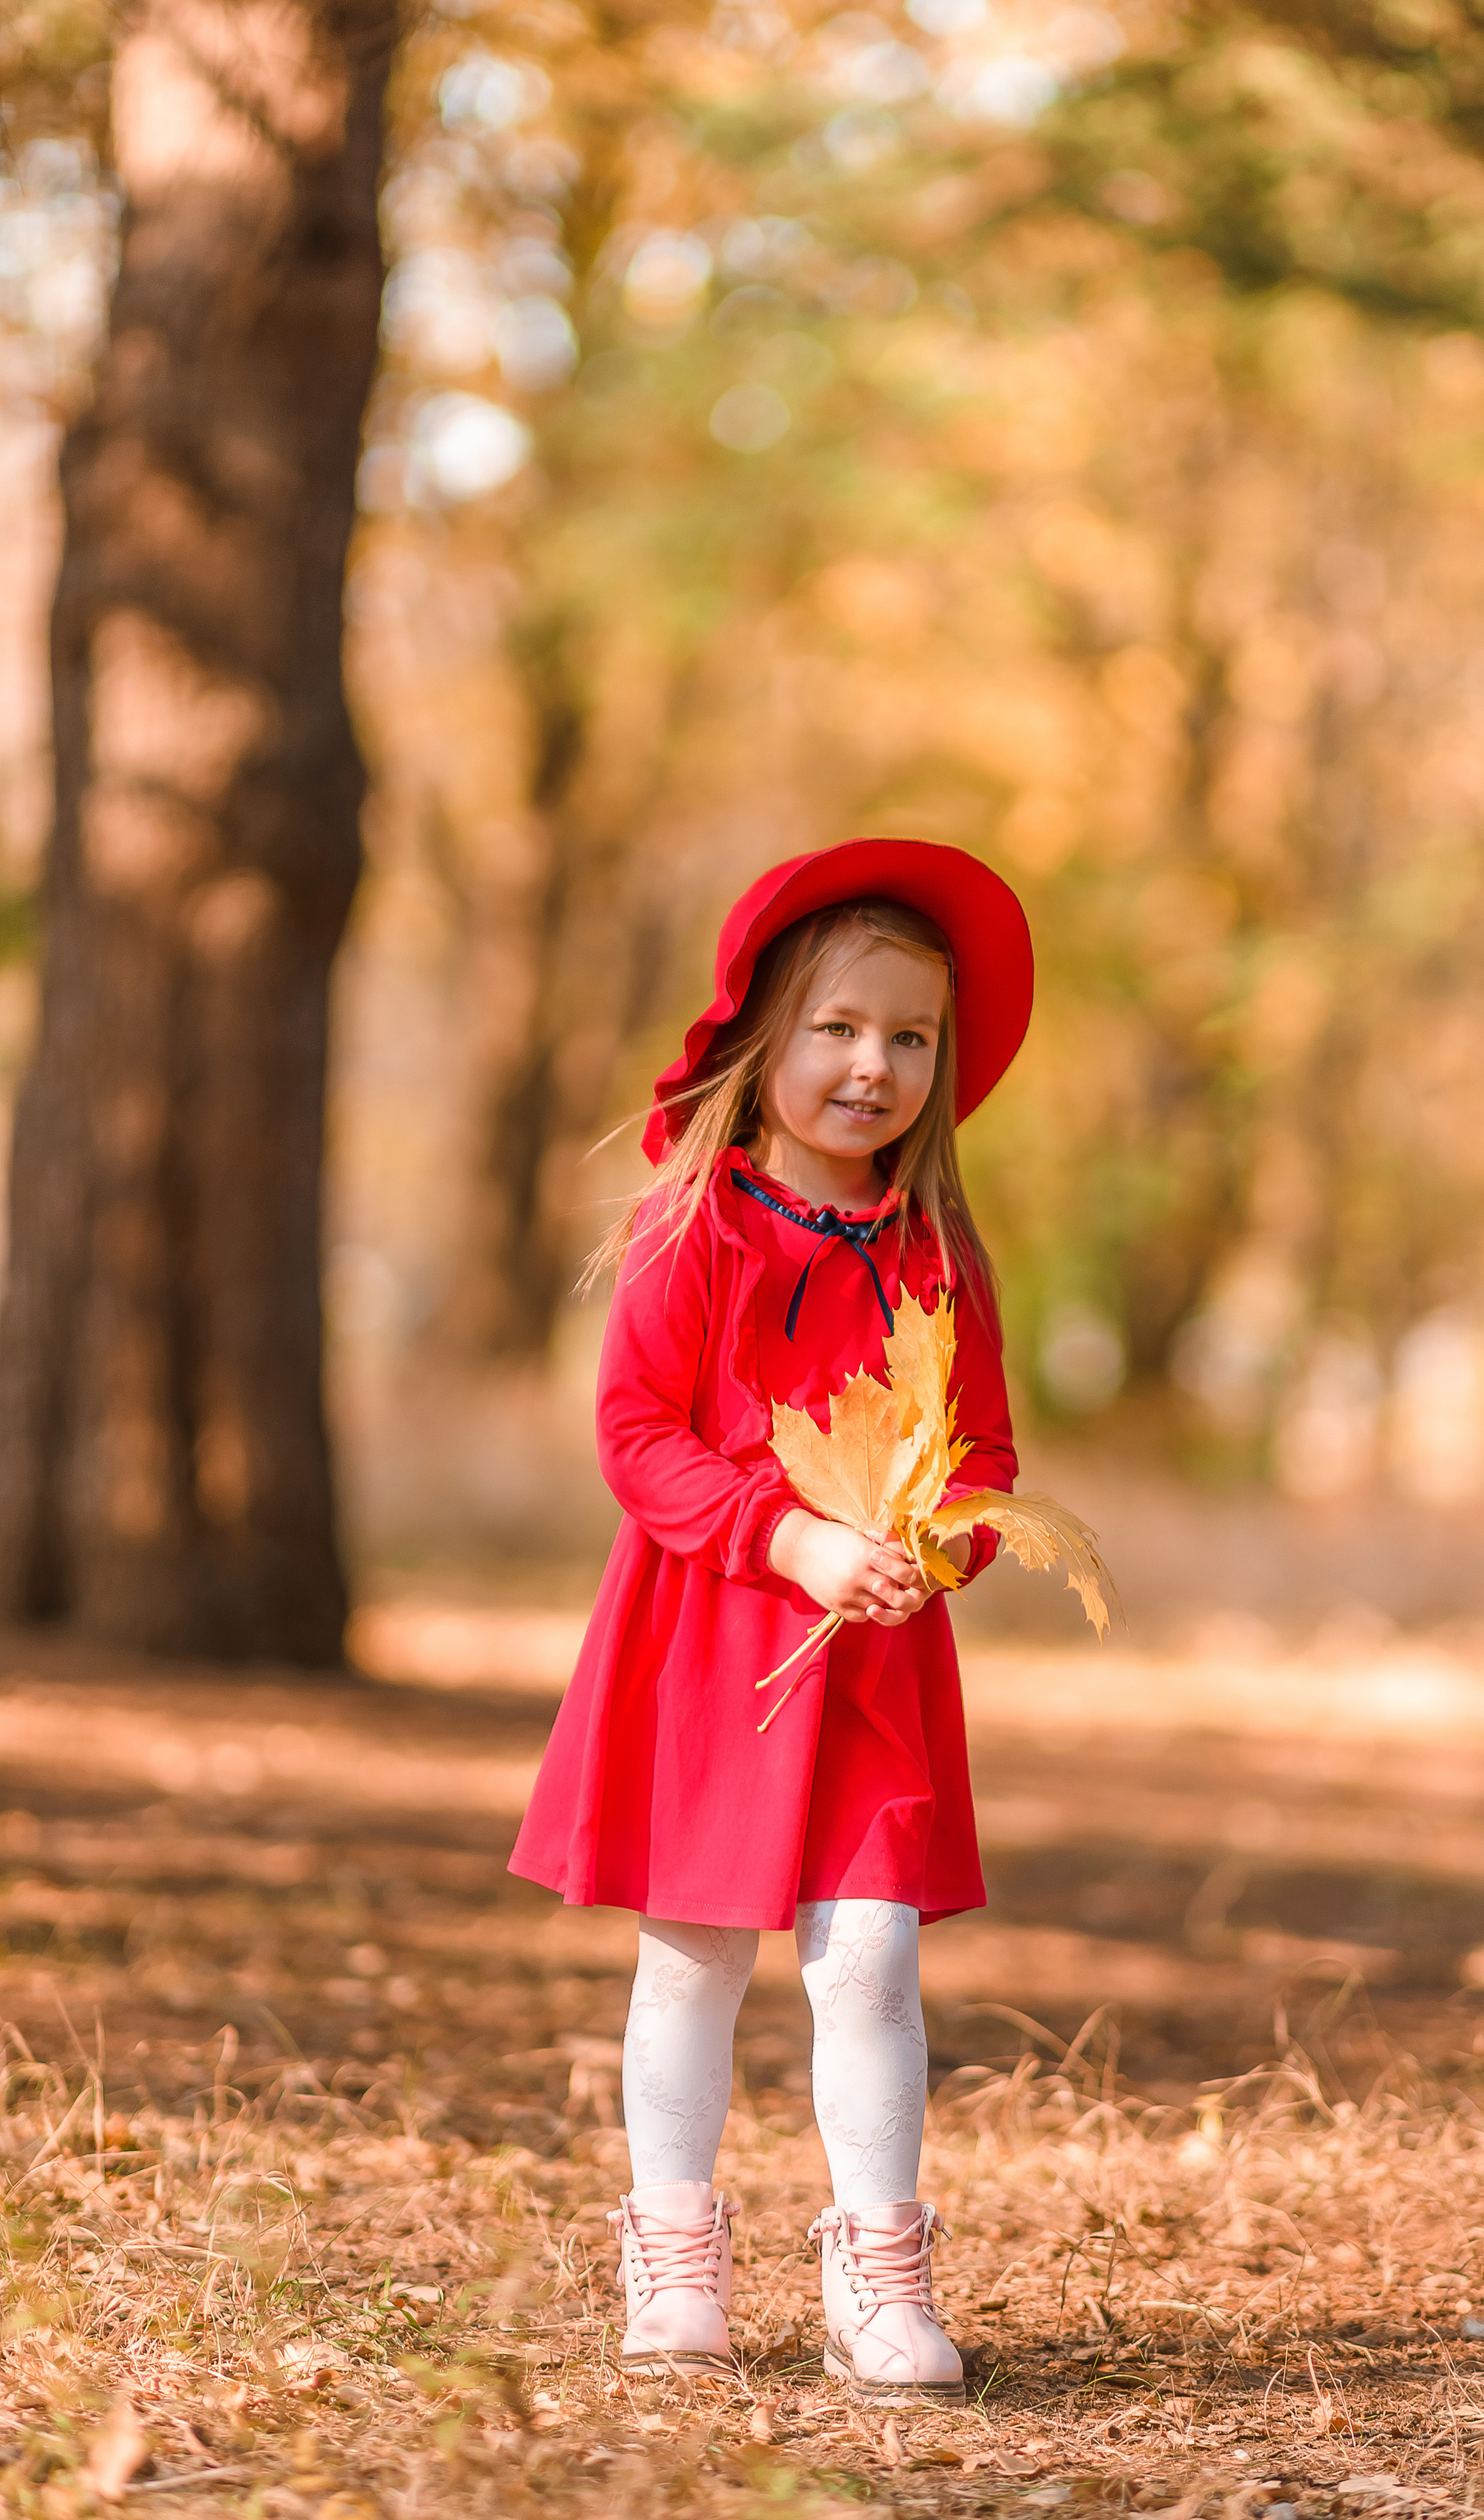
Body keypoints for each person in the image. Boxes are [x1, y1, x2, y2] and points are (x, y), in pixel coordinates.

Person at [509, 838, 1034, 2404]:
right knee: (692, 1956)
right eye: (837, 1028)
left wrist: (939, 1545)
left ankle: (877, 2275)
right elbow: (636, 1433)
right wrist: (785, 1535)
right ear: (760, 1037)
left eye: (908, 1037)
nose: (872, 1066)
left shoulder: (936, 1256)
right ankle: (673, 2257)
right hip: (711, 1643)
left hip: (868, 1664)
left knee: (868, 1958)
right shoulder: (697, 1225)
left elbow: (985, 1457)